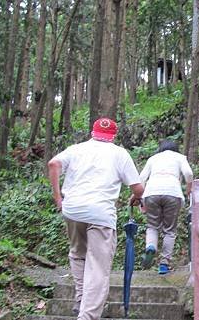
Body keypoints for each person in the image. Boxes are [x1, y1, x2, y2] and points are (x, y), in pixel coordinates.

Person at [47, 118, 144, 320]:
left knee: (78, 254)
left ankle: (81, 299)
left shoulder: (76, 149)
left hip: (72, 210)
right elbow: (138, 188)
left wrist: (58, 198)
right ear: (113, 136)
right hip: (100, 213)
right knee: (98, 266)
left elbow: (53, 164)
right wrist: (136, 197)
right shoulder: (119, 154)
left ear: (93, 132)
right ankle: (87, 315)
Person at [139, 139, 193, 274]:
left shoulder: (153, 158)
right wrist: (188, 189)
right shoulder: (180, 157)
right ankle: (164, 264)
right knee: (169, 230)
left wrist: (141, 200)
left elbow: (141, 178)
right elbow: (188, 174)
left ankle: (150, 246)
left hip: (151, 192)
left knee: (152, 226)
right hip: (172, 193)